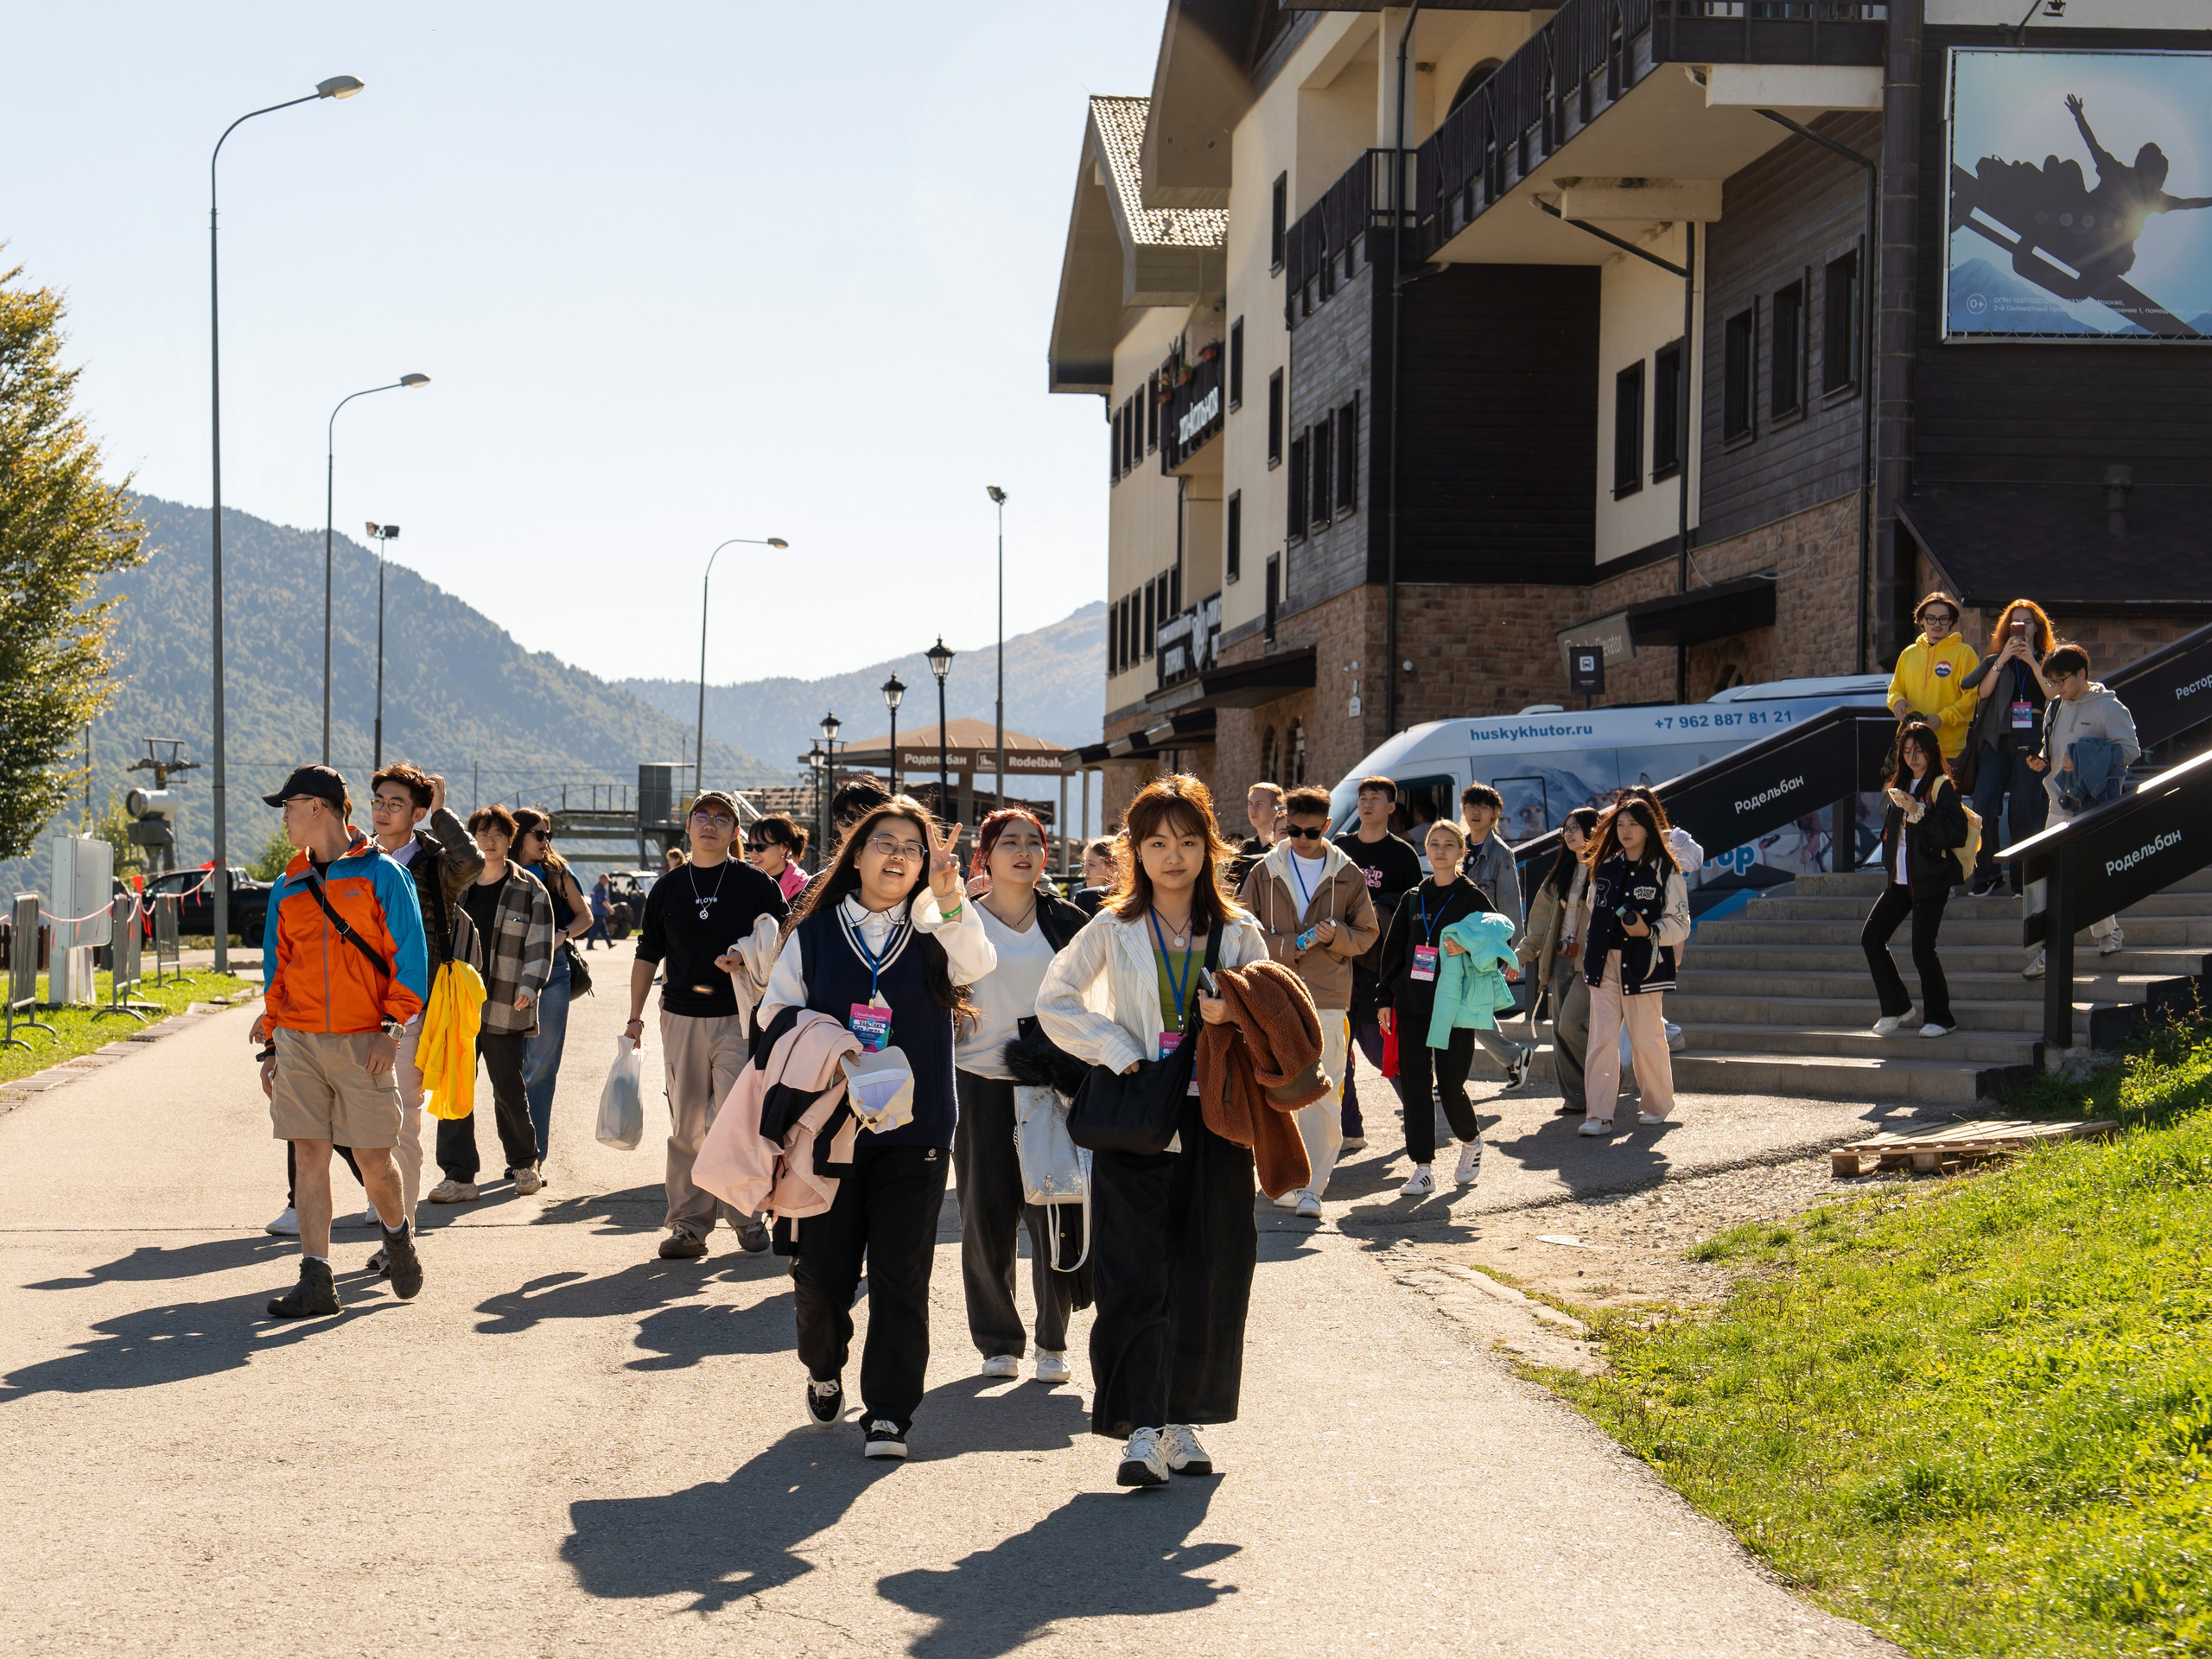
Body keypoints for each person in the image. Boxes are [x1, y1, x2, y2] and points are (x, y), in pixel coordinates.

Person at [1035, 773, 1272, 1488]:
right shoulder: (1112, 926)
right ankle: (1140, 1427)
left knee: (1210, 1270)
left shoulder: (1239, 930)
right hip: (1139, 1118)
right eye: (1158, 842)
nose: (1174, 856)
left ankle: (1184, 1421)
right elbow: (1055, 999)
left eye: (1189, 841)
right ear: (1136, 850)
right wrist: (1119, 1051)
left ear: (1211, 848)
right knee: (1133, 1271)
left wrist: (1235, 1017)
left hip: (1216, 1120)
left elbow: (1274, 1013)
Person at [765, 798, 995, 1460]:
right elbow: (773, 1012)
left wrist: (951, 899)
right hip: (830, 1129)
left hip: (918, 1127)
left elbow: (978, 965)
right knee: (824, 1278)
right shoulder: (813, 932)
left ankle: (890, 1414)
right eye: (884, 842)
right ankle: (824, 1362)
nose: (898, 856)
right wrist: (830, 1041)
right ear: (856, 854)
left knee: (902, 1275)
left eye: (912, 847)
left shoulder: (935, 925)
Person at [251, 765, 429, 1319]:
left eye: (289, 807)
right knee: (308, 1154)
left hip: (364, 1040)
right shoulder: (288, 884)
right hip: (301, 1039)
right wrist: (274, 1043)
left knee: (375, 1161)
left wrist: (392, 1028)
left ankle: (397, 1237)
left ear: (318, 807)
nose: (284, 818)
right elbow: (277, 968)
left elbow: (410, 957)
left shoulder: (383, 876)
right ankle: (317, 1278)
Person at [952, 808, 1092, 1386]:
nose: (1024, 850)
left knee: (1053, 1209)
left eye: (1034, 841)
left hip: (1049, 1086)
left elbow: (1096, 993)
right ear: (985, 856)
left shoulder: (1069, 921)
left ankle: (1053, 1341)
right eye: (1008, 841)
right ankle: (998, 1339)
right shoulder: (962, 923)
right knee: (984, 1215)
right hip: (977, 1080)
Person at [626, 789, 791, 1258]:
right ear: (689, 826)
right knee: (688, 1124)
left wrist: (744, 953)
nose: (710, 824)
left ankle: (746, 1214)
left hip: (741, 1018)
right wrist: (635, 1017)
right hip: (680, 1017)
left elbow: (782, 936)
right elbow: (646, 955)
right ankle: (689, 1227)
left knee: (739, 1119)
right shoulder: (668, 888)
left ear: (734, 832)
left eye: (722, 818)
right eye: (702, 815)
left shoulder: (755, 884)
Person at [1236, 785, 1378, 1218]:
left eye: (1310, 832)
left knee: (1324, 1091)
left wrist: (1339, 939)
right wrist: (1287, 946)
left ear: (1327, 827)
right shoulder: (1265, 871)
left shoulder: (1348, 872)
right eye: (1293, 829)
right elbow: (1243, 930)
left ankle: (1313, 1186)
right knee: (1273, 1088)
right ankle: (1283, 1178)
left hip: (1329, 997)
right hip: (1274, 994)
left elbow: (1369, 935)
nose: (1300, 838)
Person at [1376, 820, 1517, 1196]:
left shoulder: (1471, 897)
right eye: (1433, 844)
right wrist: (1385, 1000)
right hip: (1411, 1004)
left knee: (1451, 1087)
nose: (1440, 850)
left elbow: (1499, 938)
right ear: (1426, 849)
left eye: (1448, 845)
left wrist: (1468, 947)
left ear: (1461, 852)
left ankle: (1471, 1141)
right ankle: (1422, 1168)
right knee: (1417, 1089)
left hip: (1453, 1006)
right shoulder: (1412, 898)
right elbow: (1393, 954)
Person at [429, 806, 555, 1202]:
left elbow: (540, 941)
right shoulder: (455, 884)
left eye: (499, 833)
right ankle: (459, 1175)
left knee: (508, 1088)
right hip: (458, 1004)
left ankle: (524, 1164)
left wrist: (531, 985)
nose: (490, 840)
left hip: (506, 1003)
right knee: (456, 1086)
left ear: (510, 839)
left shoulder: (530, 888)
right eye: (482, 832)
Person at [2024, 645, 2142, 977]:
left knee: (2089, 875)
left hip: (2092, 805)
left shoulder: (2109, 707)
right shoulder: (2055, 708)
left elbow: (2130, 750)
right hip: (2057, 802)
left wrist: (2086, 757)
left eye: (2062, 680)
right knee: (2046, 879)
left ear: (2082, 674)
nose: (2058, 688)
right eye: (2053, 682)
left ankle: (2107, 933)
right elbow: (2052, 750)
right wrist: (2042, 760)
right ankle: (2046, 950)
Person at [1576, 796, 1690, 1138]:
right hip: (1603, 962)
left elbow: (1681, 922)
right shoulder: (1604, 866)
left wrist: (1649, 931)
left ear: (1648, 829)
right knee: (1602, 1039)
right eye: (1620, 824)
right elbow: (1592, 909)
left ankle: (1657, 1103)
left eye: (1633, 825)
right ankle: (1598, 1114)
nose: (1625, 831)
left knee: (1646, 1038)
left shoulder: (1665, 869)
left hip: (1645, 962)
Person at [1333, 775, 1424, 1154]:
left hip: (1378, 967)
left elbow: (1414, 912)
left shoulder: (1403, 854)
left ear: (1391, 806)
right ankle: (1348, 1129)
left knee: (1378, 1048)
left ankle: (1420, 1115)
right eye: (1363, 797)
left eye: (1376, 798)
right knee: (1338, 1053)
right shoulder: (1339, 847)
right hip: (1337, 963)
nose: (1367, 804)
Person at [1864, 721, 1968, 1039]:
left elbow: (1955, 832)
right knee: (1871, 938)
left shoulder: (1940, 785)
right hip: (1899, 881)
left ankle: (1941, 1017)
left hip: (1930, 880)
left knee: (1923, 949)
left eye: (1919, 750)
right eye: (1907, 751)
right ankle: (1896, 1006)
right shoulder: (1901, 783)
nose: (1913, 757)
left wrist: (1919, 811)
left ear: (1932, 751)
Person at [513, 808, 594, 1177]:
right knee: (510, 1069)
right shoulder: (498, 867)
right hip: (504, 975)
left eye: (549, 835)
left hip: (553, 973)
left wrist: (563, 935)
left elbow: (585, 916)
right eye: (539, 835)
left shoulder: (558, 872)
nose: (546, 842)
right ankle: (517, 1150)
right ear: (518, 835)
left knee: (541, 1067)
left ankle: (532, 1157)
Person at [1961, 600, 2056, 896]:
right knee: (1983, 805)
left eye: (2027, 622)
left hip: (2031, 742)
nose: (2022, 628)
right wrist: (2003, 658)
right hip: (1997, 740)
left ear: (2037, 626)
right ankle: (1988, 874)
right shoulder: (1996, 659)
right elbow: (1982, 692)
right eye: (2016, 623)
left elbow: (2054, 694)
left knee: (2024, 810)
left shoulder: (2048, 659)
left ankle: (2023, 880)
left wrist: (2032, 662)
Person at [1452, 783, 1535, 1089]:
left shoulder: (1500, 854)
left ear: (1495, 813)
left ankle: (1448, 1077)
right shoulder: (1457, 846)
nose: (1475, 812)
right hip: (1454, 943)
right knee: (1465, 1008)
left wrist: (1514, 954)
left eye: (1483, 807)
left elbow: (1511, 906)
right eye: (1471, 806)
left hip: (1483, 947)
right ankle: (1513, 1056)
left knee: (1459, 1006)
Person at [1542, 808, 1602, 1117]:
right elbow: (1542, 921)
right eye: (1565, 829)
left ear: (1593, 831)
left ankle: (1605, 1078)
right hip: (1560, 956)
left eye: (1576, 827)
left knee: (1570, 1024)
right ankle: (1576, 1097)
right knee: (1558, 1030)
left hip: (1588, 958)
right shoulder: (1562, 872)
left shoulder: (1603, 870)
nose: (1569, 833)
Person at [1886, 592, 1980, 764]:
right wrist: (1897, 701)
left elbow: (1972, 698)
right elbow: (1895, 689)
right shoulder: (1908, 654)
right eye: (1931, 618)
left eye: (1943, 619)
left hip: (1948, 751)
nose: (1937, 624)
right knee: (1903, 793)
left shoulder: (1965, 654)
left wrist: (1942, 718)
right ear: (1921, 620)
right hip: (1909, 749)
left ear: (1951, 621)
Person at [746, 814, 811, 902]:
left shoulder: (806, 890)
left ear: (784, 847)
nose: (752, 854)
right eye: (749, 847)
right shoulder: (744, 883)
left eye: (760, 847)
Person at [1230, 781, 1283, 888]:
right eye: (1250, 803)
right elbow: (1228, 887)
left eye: (1259, 804)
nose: (1253, 809)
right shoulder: (1246, 847)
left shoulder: (1283, 847)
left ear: (1275, 808)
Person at [1073, 835, 1119, 916]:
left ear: (1113, 867)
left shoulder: (1124, 903)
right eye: (1084, 864)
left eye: (1091, 864)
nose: (1084, 870)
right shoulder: (1085, 898)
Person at [586, 874, 612, 949]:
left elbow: (592, 901)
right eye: (606, 880)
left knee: (603, 929)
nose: (607, 882)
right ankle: (589, 945)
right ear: (602, 880)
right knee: (594, 930)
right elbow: (603, 901)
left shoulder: (595, 888)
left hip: (596, 911)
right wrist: (611, 909)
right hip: (599, 912)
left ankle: (609, 943)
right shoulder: (601, 889)